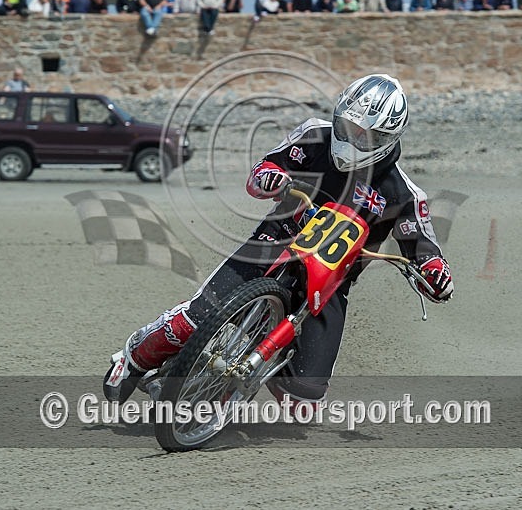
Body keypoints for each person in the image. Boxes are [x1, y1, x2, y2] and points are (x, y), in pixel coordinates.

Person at [103, 74, 454, 411]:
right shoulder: (315, 135)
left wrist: (434, 272)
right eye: (347, 129)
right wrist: (270, 176)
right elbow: (263, 170)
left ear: (388, 139)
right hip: (272, 243)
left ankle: (249, 377)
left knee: (304, 402)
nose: (351, 141)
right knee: (194, 319)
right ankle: (135, 357)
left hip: (330, 284)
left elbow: (423, 246)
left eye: (365, 137)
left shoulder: (404, 194)